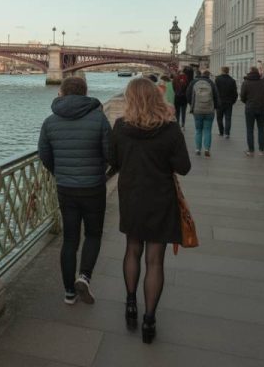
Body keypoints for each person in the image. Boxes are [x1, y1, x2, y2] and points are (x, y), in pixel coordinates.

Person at [109, 78, 191, 344]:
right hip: (160, 197)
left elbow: (113, 161)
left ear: (130, 99)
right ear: (157, 97)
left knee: (132, 248)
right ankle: (149, 319)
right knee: (155, 259)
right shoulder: (169, 129)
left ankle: (131, 303)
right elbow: (184, 167)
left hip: (132, 194)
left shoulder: (121, 127)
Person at [38, 76, 111, 305]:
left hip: (65, 187)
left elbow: (44, 155)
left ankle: (69, 292)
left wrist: (59, 172)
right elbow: (110, 154)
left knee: (70, 239)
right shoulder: (98, 118)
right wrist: (100, 169)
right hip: (93, 187)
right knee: (93, 234)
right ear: (85, 92)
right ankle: (84, 277)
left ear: (62, 92)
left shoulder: (50, 122)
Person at [186, 70, 220, 157]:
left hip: (197, 111)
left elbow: (188, 95)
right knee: (208, 130)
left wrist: (192, 105)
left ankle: (197, 149)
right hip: (209, 110)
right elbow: (216, 96)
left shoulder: (194, 82)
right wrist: (215, 107)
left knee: (198, 130)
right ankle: (207, 149)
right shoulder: (211, 83)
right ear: (208, 76)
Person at [241, 66, 264, 156]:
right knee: (261, 129)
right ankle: (261, 150)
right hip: (261, 108)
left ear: (250, 72)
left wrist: (248, 102)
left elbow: (242, 97)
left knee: (250, 130)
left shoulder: (246, 82)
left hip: (250, 108)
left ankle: (251, 150)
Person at [214, 66, 238, 138]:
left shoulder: (217, 79)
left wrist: (215, 100)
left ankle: (221, 131)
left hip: (219, 102)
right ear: (228, 71)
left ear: (222, 70)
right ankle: (227, 133)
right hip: (229, 102)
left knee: (219, 118)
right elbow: (235, 93)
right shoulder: (232, 80)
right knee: (228, 118)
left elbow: (215, 91)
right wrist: (233, 101)